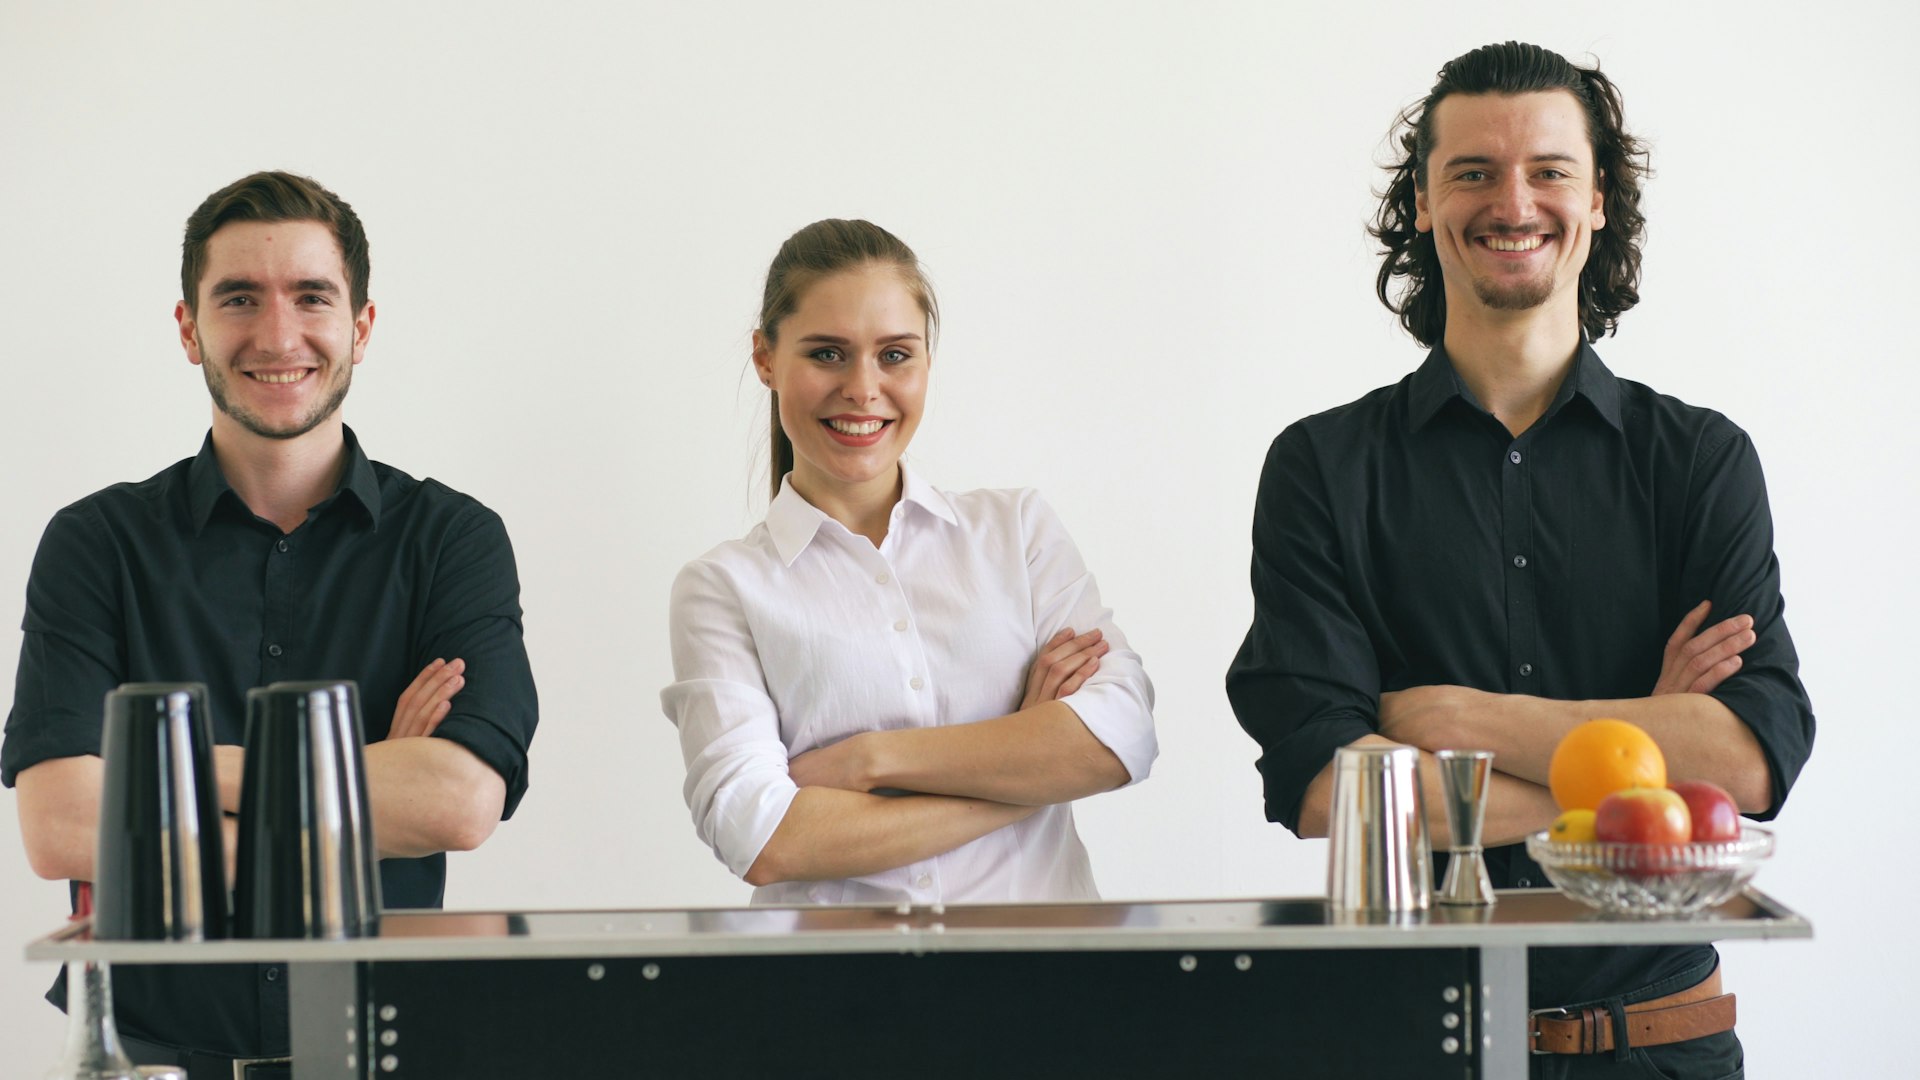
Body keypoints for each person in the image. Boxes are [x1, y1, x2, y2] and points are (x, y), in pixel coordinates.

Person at [1226, 42, 1813, 1078]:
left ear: (1597, 203)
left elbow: (1750, 763)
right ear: (1422, 202)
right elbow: (1330, 793)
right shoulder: (1321, 467)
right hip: (1404, 1043)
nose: (1514, 201)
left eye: (1549, 171)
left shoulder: (1700, 462)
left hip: (1658, 1046)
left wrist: (1450, 726)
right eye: (1473, 172)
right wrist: (1637, 782)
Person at [3, 171, 539, 1077]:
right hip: (145, 1057)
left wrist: (159, 775)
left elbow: (459, 802)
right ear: (190, 329)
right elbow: (57, 824)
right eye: (240, 299)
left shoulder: (452, 540)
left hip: (382, 1048)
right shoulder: (96, 544)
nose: (277, 335)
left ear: (360, 328)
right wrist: (359, 780)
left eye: (312, 297)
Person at [662, 219, 1156, 904]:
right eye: (827, 354)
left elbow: (1121, 736)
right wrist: (1022, 776)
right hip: (838, 995)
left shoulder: (1017, 531)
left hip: (1045, 983)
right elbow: (764, 838)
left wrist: (870, 761)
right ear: (766, 358)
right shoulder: (722, 589)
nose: (864, 389)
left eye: (895, 355)